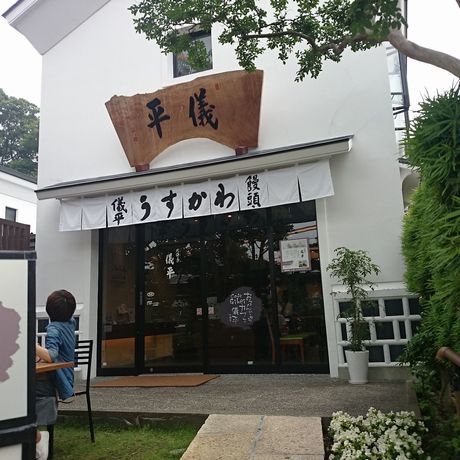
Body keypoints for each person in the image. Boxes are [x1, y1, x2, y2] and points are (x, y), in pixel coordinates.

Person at [35, 290, 76, 460]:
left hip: (58, 377)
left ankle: (37, 438)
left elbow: (52, 356)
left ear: (48, 310)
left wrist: (32, 344)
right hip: (67, 375)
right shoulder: (70, 323)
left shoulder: (54, 328)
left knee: (25, 392)